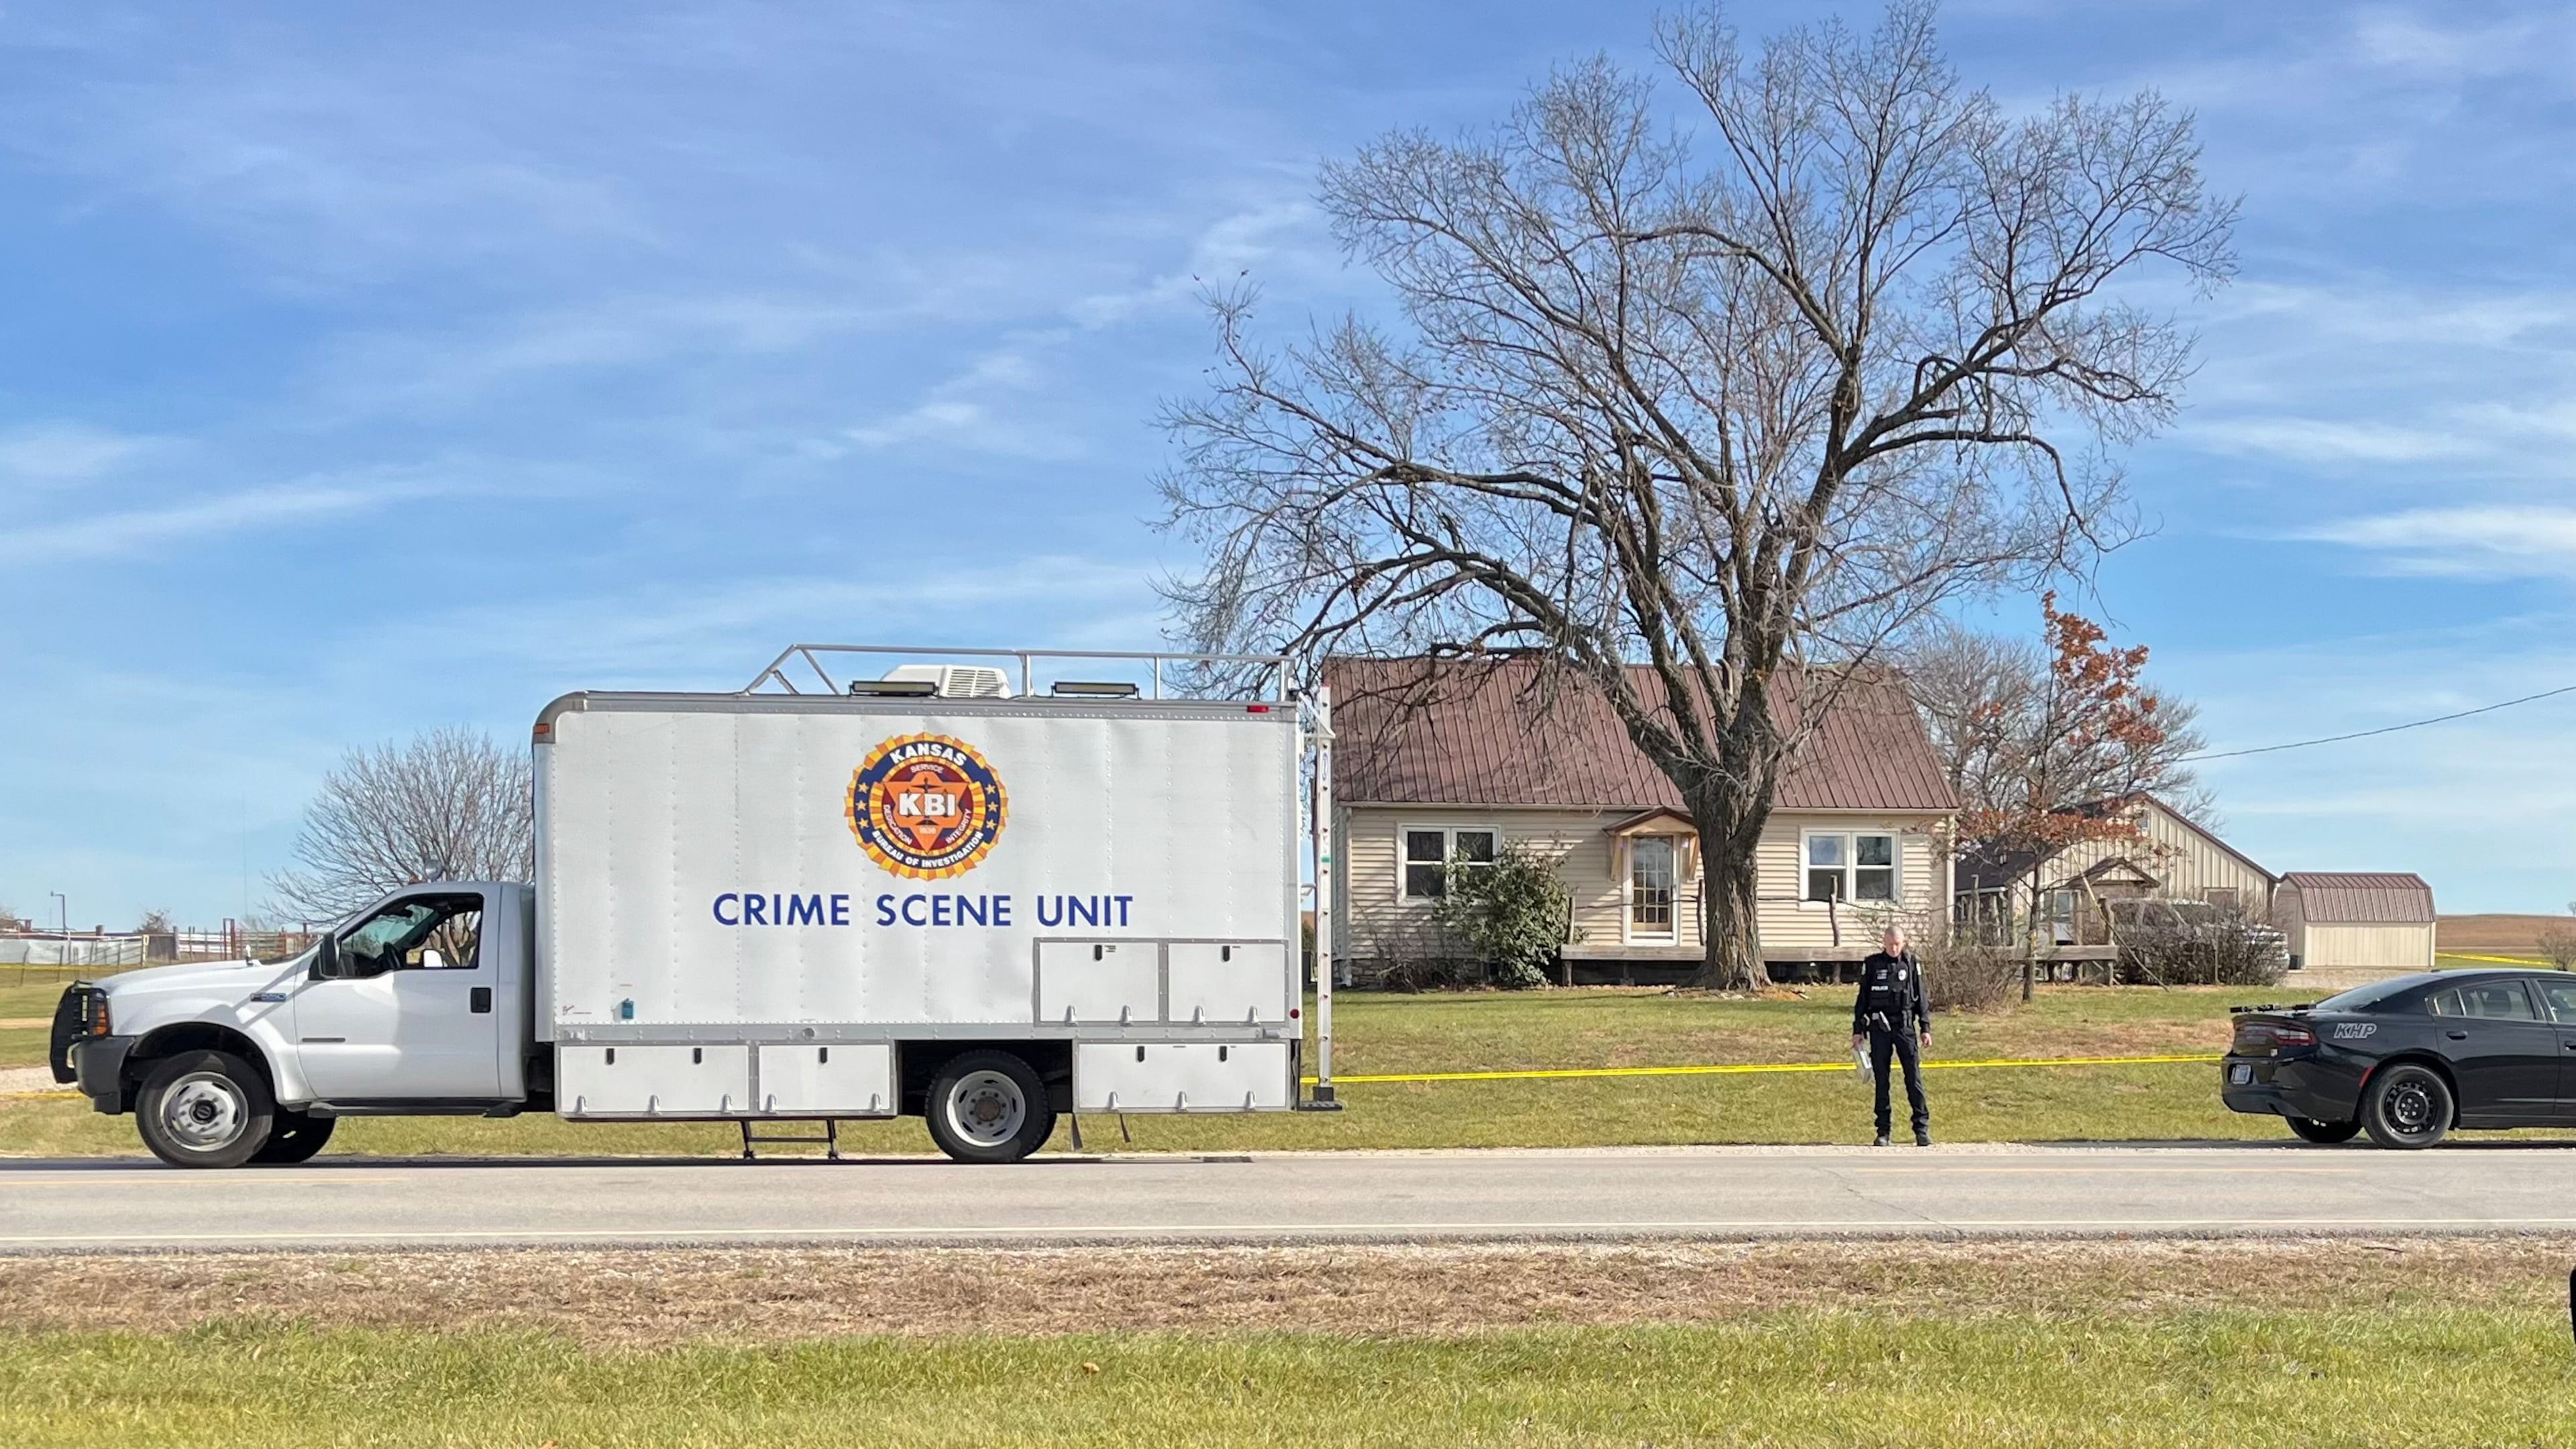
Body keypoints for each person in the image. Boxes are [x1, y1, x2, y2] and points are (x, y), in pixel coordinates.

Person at [1851, 925, 1932, 1146]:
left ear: (1903, 943)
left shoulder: (1911, 964)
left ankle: (1921, 1129)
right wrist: (1858, 1029)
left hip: (1905, 1028)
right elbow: (1863, 1000)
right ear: (1884, 943)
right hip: (1879, 1029)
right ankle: (1883, 1131)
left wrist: (1925, 1028)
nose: (1894, 948)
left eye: (1898, 944)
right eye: (1890, 944)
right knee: (1882, 1081)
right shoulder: (1873, 965)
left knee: (1913, 1078)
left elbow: (1921, 999)